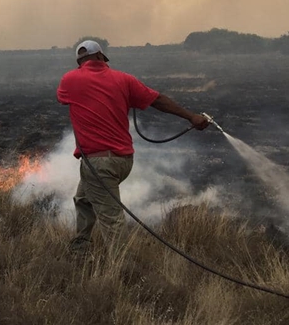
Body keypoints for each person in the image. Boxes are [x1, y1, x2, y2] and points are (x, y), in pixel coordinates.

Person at [57, 40, 210, 253]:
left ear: (79, 62)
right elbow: (158, 100)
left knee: (112, 220)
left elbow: (63, 98)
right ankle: (80, 247)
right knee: (83, 198)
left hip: (98, 163)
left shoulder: (70, 80)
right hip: (123, 161)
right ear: (102, 57)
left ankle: (122, 272)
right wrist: (191, 117)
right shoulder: (124, 79)